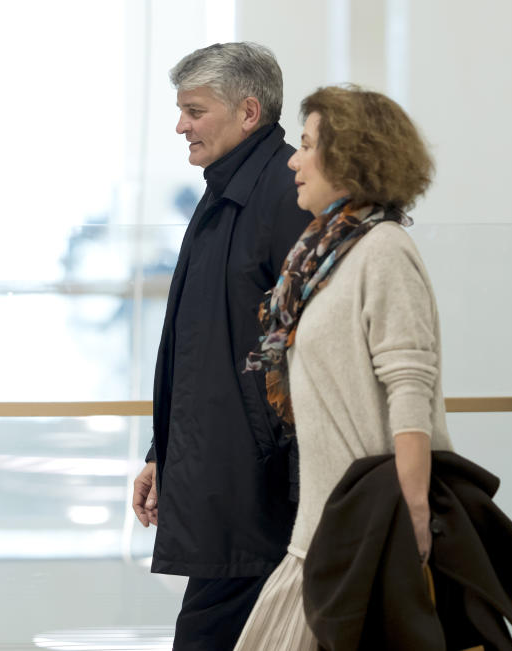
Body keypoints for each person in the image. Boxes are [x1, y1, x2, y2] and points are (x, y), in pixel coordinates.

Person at [233, 85, 453, 650]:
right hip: (323, 527)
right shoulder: (324, 251)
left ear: (350, 156)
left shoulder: (382, 249)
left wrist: (414, 513)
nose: (292, 159)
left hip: (372, 527)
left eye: (306, 145)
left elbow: (409, 385)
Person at [129, 42, 313, 650]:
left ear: (249, 112)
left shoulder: (286, 196)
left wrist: (282, 477)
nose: (181, 125)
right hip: (225, 477)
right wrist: (166, 453)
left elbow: (305, 352)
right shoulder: (224, 191)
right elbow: (202, 350)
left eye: (194, 110)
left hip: (259, 494)